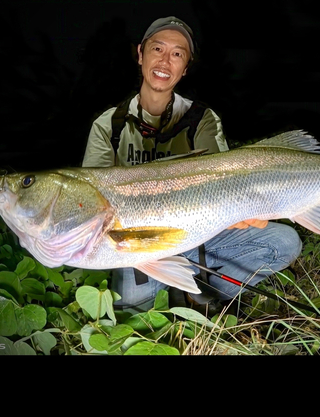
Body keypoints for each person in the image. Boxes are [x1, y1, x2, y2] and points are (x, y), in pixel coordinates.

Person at [82, 16, 302, 313]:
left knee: (283, 241)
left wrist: (244, 208)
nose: (165, 61)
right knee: (136, 314)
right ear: (140, 54)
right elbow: (90, 198)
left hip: (199, 233)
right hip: (138, 242)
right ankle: (168, 285)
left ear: (184, 68)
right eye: (157, 49)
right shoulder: (108, 125)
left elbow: (225, 179)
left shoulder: (202, 119)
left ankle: (203, 291)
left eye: (177, 54)